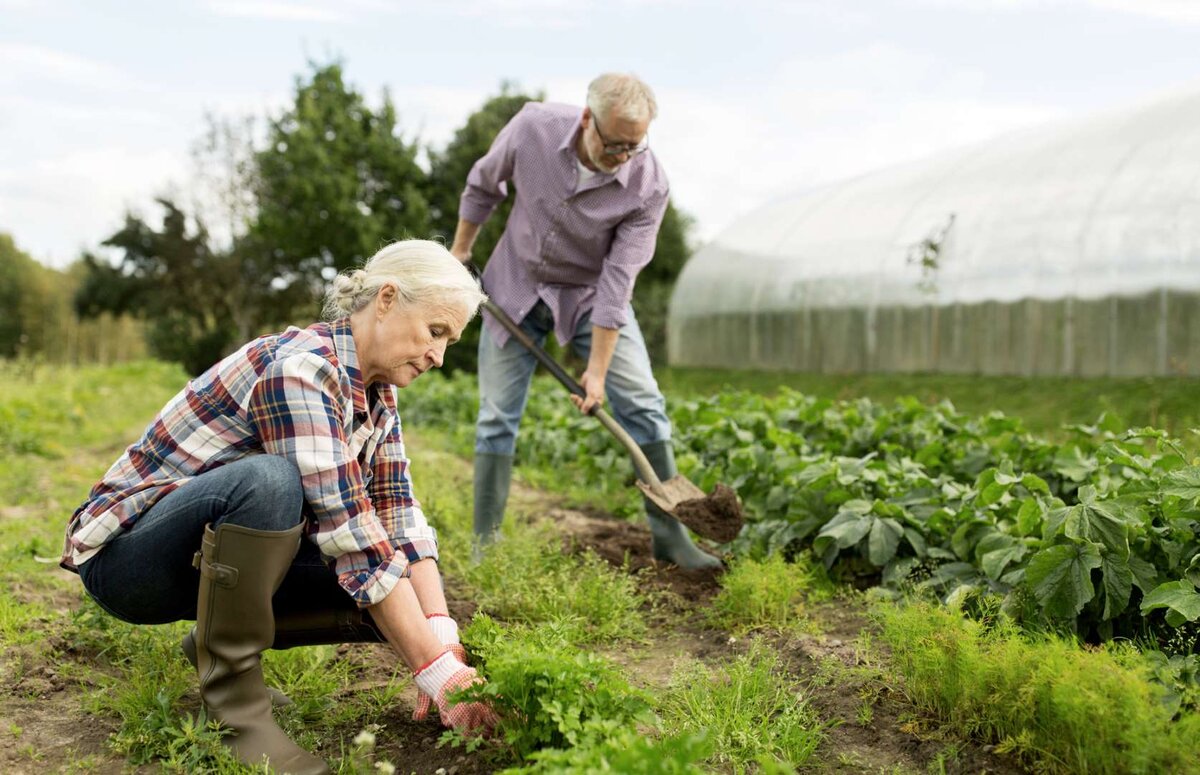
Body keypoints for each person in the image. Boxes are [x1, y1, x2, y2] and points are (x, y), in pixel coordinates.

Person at [61, 240, 499, 774]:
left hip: (201, 558)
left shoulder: (377, 393)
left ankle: (216, 644)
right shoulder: (301, 370)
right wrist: (435, 672)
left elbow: (396, 509)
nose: (439, 355)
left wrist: (441, 638)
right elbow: (352, 534)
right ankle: (236, 711)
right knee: (271, 484)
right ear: (386, 299)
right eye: (435, 331)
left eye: (449, 340)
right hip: (128, 561)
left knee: (398, 594)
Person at [449, 72, 720, 570]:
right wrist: (460, 253)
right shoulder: (533, 127)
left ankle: (672, 539)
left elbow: (618, 282)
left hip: (590, 296)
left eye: (634, 146)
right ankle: (486, 545)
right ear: (587, 119)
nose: (622, 157)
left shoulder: (648, 185)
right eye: (614, 144)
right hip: (516, 283)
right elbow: (484, 185)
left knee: (643, 403)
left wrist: (596, 370)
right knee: (496, 417)